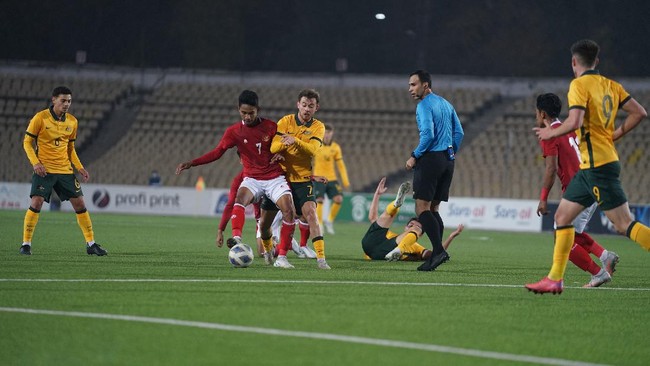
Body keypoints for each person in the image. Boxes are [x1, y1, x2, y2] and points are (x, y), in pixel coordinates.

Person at [527, 39, 650, 294]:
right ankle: (554, 279)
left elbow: (575, 120)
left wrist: (550, 134)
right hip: (589, 168)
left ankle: (595, 270)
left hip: (598, 167)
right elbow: (640, 113)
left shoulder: (579, 85)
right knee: (562, 218)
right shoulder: (611, 85)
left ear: (574, 62)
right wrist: (614, 135)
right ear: (597, 61)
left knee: (623, 224)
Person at [175, 90, 297, 266]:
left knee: (289, 210)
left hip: (274, 177)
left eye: (251, 113)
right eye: (243, 113)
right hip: (252, 178)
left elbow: (284, 146)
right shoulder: (234, 132)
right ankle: (237, 239)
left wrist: (282, 154)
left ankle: (283, 257)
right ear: (238, 110)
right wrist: (192, 163)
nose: (247, 117)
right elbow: (217, 152)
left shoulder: (271, 126)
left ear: (258, 109)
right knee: (239, 199)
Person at [534, 93, 619, 288]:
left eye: (536, 112)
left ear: (543, 113)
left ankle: (599, 274)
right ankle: (606, 256)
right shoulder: (570, 129)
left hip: (579, 190)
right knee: (572, 233)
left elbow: (551, 168)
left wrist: (543, 198)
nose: (535, 115)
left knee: (561, 238)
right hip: (591, 183)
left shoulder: (549, 134)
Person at [20, 86, 107, 256]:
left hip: (65, 170)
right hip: (44, 170)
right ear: (54, 100)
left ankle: (91, 244)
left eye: (69, 101)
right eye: (63, 100)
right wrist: (36, 163)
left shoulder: (72, 121)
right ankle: (26, 244)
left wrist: (79, 167)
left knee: (80, 204)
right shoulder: (40, 118)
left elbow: (70, 148)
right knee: (36, 203)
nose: (66, 104)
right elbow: (27, 143)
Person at [405, 70, 464, 271]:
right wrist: (450, 152)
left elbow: (428, 134)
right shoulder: (446, 104)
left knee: (421, 209)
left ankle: (438, 251)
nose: (410, 89)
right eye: (410, 85)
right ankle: (438, 252)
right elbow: (459, 132)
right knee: (433, 209)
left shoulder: (424, 106)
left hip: (431, 158)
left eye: (414, 85)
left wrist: (415, 155)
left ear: (426, 85)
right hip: (448, 160)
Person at [265, 89, 330, 269]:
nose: (307, 109)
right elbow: (273, 148)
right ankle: (270, 249)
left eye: (311, 106)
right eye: (304, 105)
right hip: (280, 178)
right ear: (298, 105)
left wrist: (294, 141)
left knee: (310, 214)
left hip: (302, 178)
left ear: (317, 108)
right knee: (265, 222)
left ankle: (320, 259)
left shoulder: (318, 126)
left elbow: (313, 150)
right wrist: (283, 145)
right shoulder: (285, 121)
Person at [362, 177, 464, 262]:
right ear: (405, 227)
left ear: (421, 235)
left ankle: (398, 251)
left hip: (381, 253)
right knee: (389, 215)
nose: (413, 227)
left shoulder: (416, 247)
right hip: (370, 243)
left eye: (417, 226)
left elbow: (435, 254)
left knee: (411, 227)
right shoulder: (390, 235)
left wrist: (451, 237)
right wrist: (377, 194)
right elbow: (372, 218)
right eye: (410, 225)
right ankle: (396, 204)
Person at [313, 124, 350, 235]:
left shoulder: (336, 147)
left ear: (332, 133)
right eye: (325, 132)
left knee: (338, 199)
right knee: (319, 200)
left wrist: (345, 180)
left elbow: (341, 164)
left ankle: (329, 221)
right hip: (319, 177)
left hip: (332, 178)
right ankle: (319, 224)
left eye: (329, 132)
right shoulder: (316, 145)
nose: (327, 135)